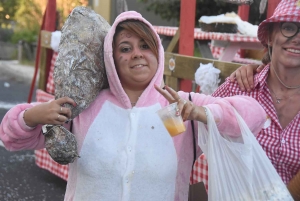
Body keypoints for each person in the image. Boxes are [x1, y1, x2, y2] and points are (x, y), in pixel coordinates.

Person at [0, 11, 266, 201]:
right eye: (125, 49)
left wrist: (205, 113)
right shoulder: (83, 107)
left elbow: (255, 115)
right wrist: (31, 116)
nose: (137, 54)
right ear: (111, 58)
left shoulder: (180, 106)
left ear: (157, 53)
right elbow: (11, 138)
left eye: (145, 46)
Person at [212, 0, 300, 186]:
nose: (297, 38)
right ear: (269, 37)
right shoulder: (238, 88)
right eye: (289, 28)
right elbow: (196, 130)